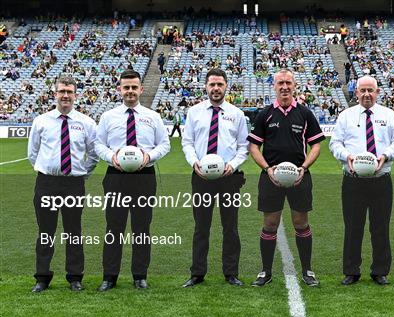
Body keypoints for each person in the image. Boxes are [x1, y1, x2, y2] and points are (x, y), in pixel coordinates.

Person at [248, 69, 326, 287]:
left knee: (301, 223)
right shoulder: (265, 114)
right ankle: (265, 272)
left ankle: (307, 270)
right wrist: (267, 169)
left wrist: (303, 167)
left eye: (288, 83)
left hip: (299, 177)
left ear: (294, 86)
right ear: (274, 86)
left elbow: (316, 145)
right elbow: (254, 146)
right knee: (269, 224)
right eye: (280, 83)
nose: (284, 87)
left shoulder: (305, 113)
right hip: (271, 177)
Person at [95, 69, 170, 291]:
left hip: (144, 176)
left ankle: (140, 275)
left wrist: (149, 156)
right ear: (120, 89)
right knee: (113, 228)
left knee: (141, 228)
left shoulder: (153, 116)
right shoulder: (108, 117)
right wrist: (112, 157)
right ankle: (109, 276)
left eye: (133, 87)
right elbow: (99, 144)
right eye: (126, 87)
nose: (130, 91)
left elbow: (164, 144)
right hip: (116, 176)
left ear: (141, 89)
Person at [329, 76, 394, 286]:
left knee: (380, 227)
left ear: (377, 92)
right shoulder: (346, 116)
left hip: (381, 180)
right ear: (356, 93)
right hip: (353, 181)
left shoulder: (389, 115)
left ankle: (380, 271)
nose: (366, 94)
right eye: (362, 90)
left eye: (370, 90)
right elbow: (335, 143)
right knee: (353, 227)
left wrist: (386, 155)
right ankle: (351, 271)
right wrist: (347, 157)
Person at [27, 75, 99, 292]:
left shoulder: (86, 122)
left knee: (73, 231)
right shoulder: (41, 121)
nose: (65, 95)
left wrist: (80, 175)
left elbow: (93, 155)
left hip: (73, 185)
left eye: (69, 92)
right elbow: (33, 153)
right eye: (62, 91)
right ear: (55, 94)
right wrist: (48, 171)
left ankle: (75, 277)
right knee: (45, 232)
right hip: (46, 183)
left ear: (75, 95)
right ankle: (42, 278)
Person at [181, 68, 249, 287]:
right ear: (206, 87)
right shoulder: (194, 112)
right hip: (201, 177)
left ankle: (231, 273)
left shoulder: (237, 114)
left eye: (220, 84)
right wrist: (194, 163)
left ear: (226, 86)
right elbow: (187, 143)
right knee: (201, 226)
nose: (216, 88)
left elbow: (243, 147)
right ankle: (197, 273)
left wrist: (233, 165)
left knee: (230, 227)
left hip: (229, 177)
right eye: (212, 84)